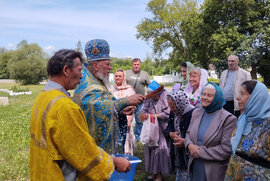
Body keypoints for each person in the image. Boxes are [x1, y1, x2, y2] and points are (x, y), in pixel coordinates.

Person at [30, 49, 131, 180]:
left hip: (41, 172)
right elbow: (82, 151)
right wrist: (114, 162)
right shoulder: (64, 106)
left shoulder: (42, 97)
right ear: (66, 70)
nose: (82, 76)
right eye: (79, 70)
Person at [73, 39, 145, 154]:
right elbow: (95, 108)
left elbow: (105, 101)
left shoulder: (96, 79)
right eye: (107, 64)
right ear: (96, 66)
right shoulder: (87, 84)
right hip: (93, 152)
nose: (110, 67)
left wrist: (120, 110)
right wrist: (125, 101)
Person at [184, 83, 237, 181]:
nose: (204, 97)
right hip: (194, 164)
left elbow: (225, 150)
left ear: (217, 98)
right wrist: (189, 146)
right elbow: (188, 134)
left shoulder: (228, 119)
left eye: (209, 95)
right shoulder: (196, 112)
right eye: (203, 94)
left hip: (213, 169)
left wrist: (200, 152)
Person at [225, 80, 270, 180]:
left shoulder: (268, 124)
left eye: (242, 94)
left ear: (256, 97)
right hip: (235, 174)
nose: (237, 97)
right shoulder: (244, 119)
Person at [138, 80, 171, 181]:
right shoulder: (149, 97)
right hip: (151, 129)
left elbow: (167, 113)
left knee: (160, 151)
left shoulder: (165, 96)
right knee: (150, 150)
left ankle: (160, 175)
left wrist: (153, 116)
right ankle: (153, 173)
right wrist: (142, 116)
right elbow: (143, 110)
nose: (153, 97)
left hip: (162, 129)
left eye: (154, 95)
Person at [165, 90, 195, 181]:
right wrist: (171, 134)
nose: (171, 109)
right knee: (180, 171)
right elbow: (169, 126)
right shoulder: (173, 113)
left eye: (173, 107)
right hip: (177, 150)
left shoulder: (193, 113)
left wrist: (185, 141)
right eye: (170, 106)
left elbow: (195, 134)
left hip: (189, 151)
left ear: (180, 104)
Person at [110, 69, 136, 155]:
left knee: (126, 138)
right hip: (113, 120)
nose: (117, 78)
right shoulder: (110, 90)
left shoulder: (129, 90)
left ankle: (126, 157)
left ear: (124, 78)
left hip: (126, 119)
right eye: (116, 76)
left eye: (120, 76)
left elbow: (133, 106)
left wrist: (129, 120)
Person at [126, 58, 151, 141]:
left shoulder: (144, 74)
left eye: (138, 64)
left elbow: (149, 87)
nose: (136, 66)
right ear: (132, 65)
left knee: (139, 119)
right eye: (134, 64)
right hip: (128, 101)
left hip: (141, 102)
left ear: (140, 65)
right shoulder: (127, 73)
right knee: (127, 120)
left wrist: (148, 97)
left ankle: (138, 137)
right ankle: (128, 136)